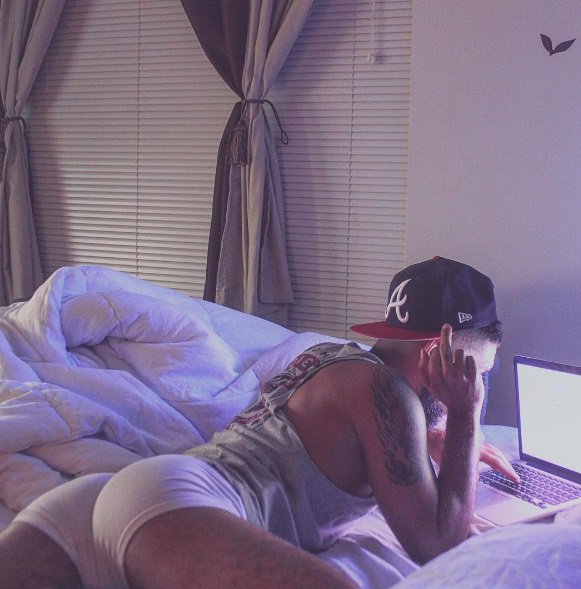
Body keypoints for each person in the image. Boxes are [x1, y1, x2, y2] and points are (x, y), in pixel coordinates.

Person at [0, 256, 518, 589]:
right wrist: (465, 412)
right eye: (478, 371)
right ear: (439, 350)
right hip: (178, 508)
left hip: (125, 496)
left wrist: (430, 441)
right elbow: (440, 544)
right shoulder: (390, 396)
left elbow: (333, 444)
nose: (475, 386)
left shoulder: (337, 361)